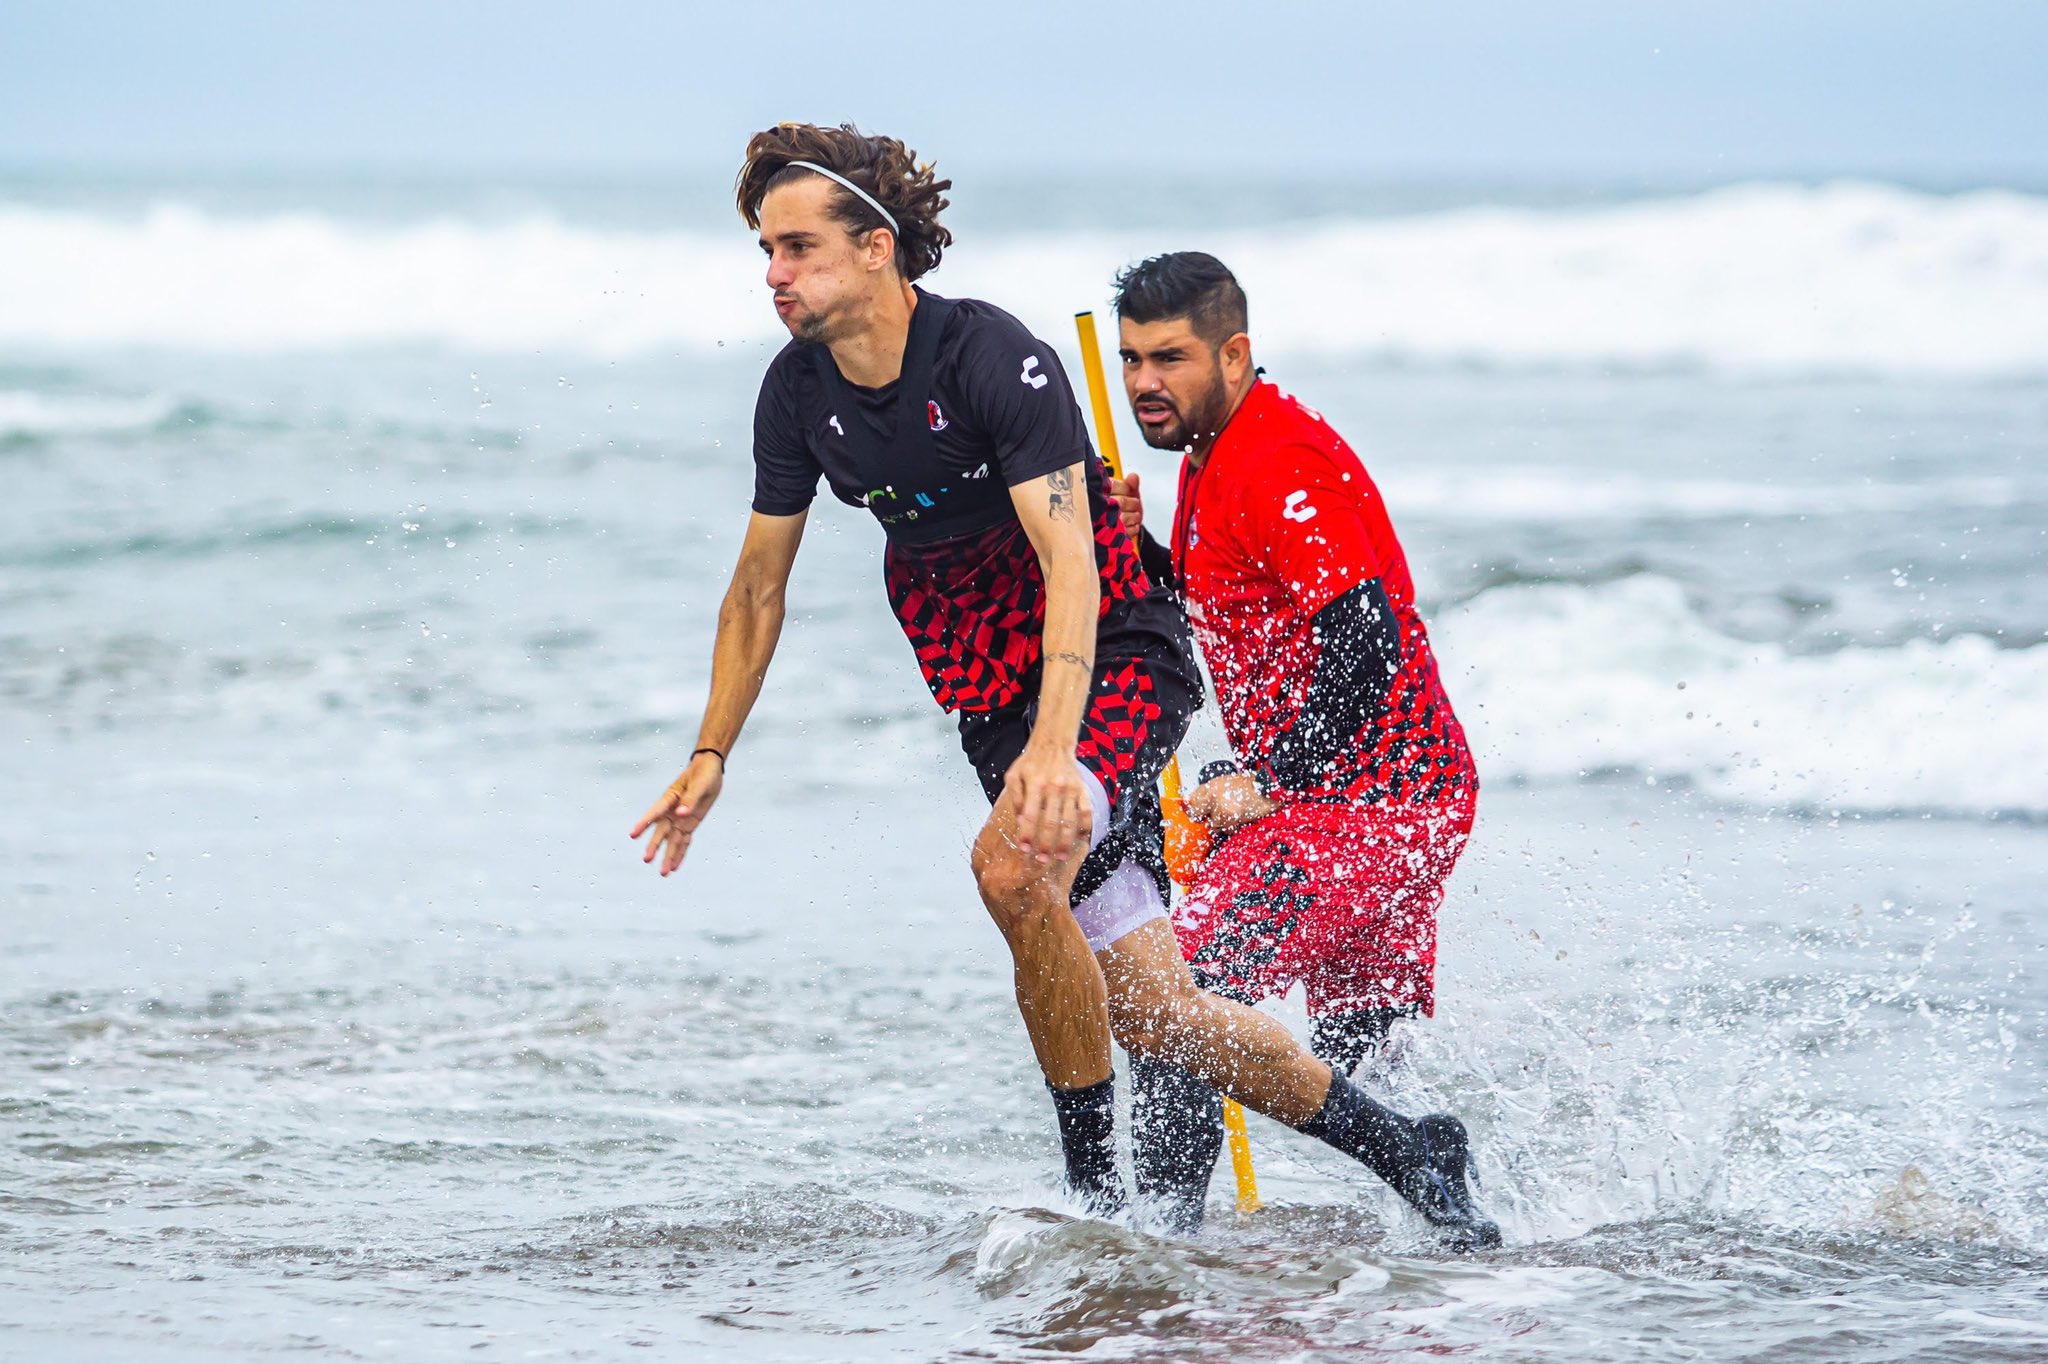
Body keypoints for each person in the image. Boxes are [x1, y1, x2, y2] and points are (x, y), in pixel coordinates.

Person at [629, 124, 1495, 1249]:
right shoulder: (796, 394)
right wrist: (710, 753)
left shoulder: (990, 356)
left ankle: (1094, 1201)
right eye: (764, 249)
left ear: (878, 248)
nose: (773, 273)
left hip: (1109, 659)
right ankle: (1407, 1148)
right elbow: (756, 588)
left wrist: (1054, 750)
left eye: (796, 246)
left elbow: (1073, 560)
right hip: (986, 689)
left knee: (1005, 865)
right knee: (1155, 1009)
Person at [1108, 252, 1485, 1235]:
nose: (1145, 382)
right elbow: (1232, 594)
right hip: (1401, 798)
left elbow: (1365, 632)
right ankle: (1490, 1228)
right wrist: (1134, 550)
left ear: (1232, 352)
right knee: (1357, 1055)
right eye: (1130, 359)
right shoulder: (1210, 455)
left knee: (1176, 1003)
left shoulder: (1273, 458)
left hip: (1365, 804)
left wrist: (1271, 775)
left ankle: (1162, 1263)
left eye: (1169, 358)